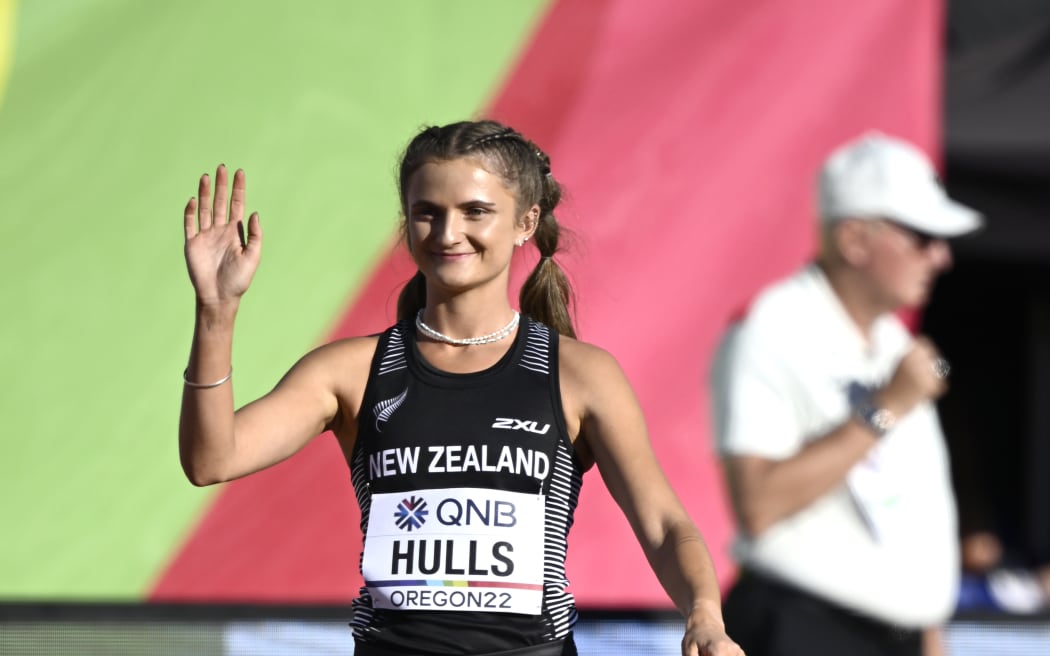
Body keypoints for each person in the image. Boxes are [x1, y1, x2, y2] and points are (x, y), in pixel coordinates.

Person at [180, 120, 743, 656]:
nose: (449, 234)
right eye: (427, 213)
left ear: (527, 222)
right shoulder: (350, 371)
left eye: (476, 211)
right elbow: (213, 458)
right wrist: (215, 312)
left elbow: (665, 524)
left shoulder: (580, 374)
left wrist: (705, 616)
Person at [709, 132, 983, 656]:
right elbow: (758, 504)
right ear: (855, 240)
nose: (942, 258)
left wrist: (926, 630)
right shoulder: (770, 331)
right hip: (802, 627)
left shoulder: (892, 343)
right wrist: (885, 408)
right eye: (924, 237)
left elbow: (913, 513)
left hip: (890, 635)